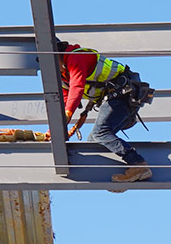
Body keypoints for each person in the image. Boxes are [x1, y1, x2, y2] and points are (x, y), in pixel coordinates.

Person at [57, 39, 154, 184]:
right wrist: (54, 130)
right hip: (117, 98)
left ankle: (138, 165)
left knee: (100, 133)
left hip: (125, 93)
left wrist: (68, 113)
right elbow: (65, 101)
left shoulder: (75, 57)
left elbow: (77, 87)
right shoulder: (63, 76)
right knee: (92, 142)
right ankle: (123, 177)